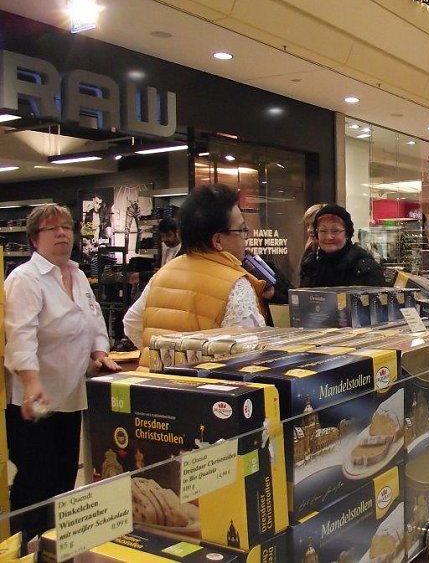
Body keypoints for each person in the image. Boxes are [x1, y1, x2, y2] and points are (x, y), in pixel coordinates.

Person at [4, 204, 122, 538]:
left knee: (65, 476)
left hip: (71, 397)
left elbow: (94, 317)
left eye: (67, 227)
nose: (62, 234)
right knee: (35, 481)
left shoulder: (78, 273)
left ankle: (56, 546)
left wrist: (100, 351)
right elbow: (20, 335)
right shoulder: (25, 279)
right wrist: (30, 382)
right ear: (33, 238)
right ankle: (25, 546)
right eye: (52, 228)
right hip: (34, 399)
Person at [124, 183, 270, 367]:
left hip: (151, 385)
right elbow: (248, 354)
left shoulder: (163, 273)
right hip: (208, 391)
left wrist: (162, 358)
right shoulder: (235, 285)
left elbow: (131, 323)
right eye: (241, 230)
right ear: (217, 240)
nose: (245, 237)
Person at [299, 204, 386, 287]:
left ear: (347, 234)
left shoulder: (366, 268)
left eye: (335, 230)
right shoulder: (311, 265)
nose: (329, 237)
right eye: (323, 231)